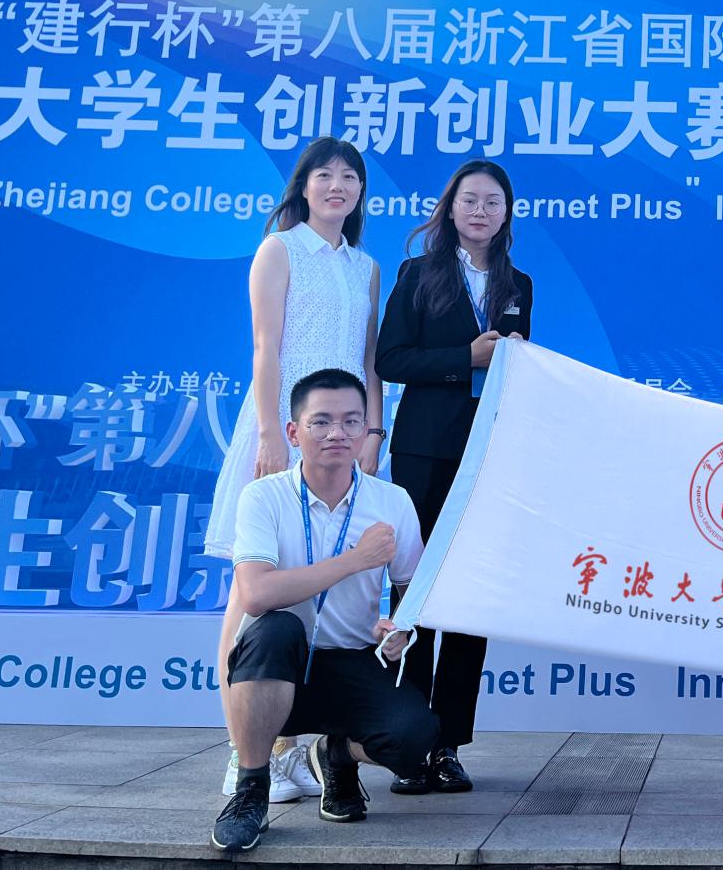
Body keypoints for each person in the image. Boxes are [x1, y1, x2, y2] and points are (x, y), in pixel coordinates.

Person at [204, 137, 384, 802]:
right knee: (252, 595)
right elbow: (265, 346)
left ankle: (287, 750)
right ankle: (242, 751)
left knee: (320, 594)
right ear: (303, 186)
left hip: (345, 441)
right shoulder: (279, 250)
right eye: (324, 174)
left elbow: (370, 362)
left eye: (350, 176)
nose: (338, 186)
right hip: (283, 433)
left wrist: (372, 433)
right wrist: (269, 435)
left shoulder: (366, 267)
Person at [210, 369, 434, 853]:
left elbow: (413, 590)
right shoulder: (264, 496)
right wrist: (356, 560)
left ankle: (334, 755)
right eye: (322, 422)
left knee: (415, 740)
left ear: (366, 430)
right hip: (279, 663)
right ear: (294, 433)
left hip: (352, 658)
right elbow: (256, 593)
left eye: (352, 421)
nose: (338, 433)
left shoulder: (391, 501)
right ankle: (251, 790)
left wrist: (399, 628)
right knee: (273, 629)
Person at [376, 159, 532, 793]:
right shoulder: (419, 274)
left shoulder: (519, 283)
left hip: (488, 454)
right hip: (423, 451)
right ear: (450, 208)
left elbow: (517, 372)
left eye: (493, 202)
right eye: (470, 200)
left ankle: (447, 745)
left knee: (471, 593)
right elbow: (390, 359)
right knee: (414, 590)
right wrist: (463, 358)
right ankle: (409, 740)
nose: (480, 211)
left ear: (506, 213)